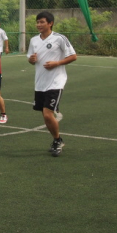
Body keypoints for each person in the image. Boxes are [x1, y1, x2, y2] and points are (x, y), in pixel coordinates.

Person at [27, 11, 77, 157]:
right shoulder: (34, 40)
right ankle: (57, 140)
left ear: (50, 23)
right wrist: (31, 60)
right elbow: (29, 58)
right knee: (45, 114)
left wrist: (57, 63)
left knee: (48, 113)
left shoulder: (59, 38)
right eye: (37, 22)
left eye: (42, 22)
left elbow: (73, 56)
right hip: (40, 83)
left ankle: (57, 140)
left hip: (56, 81)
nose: (39, 25)